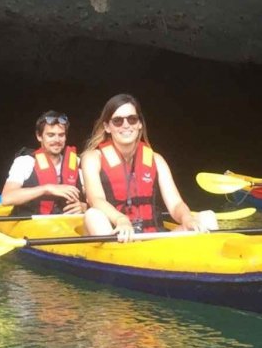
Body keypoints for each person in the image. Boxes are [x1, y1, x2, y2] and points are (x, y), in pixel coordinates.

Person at [79, 94, 219, 241]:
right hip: (119, 236)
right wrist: (121, 220)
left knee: (207, 217)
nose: (126, 125)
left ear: (139, 124)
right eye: (118, 121)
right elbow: (97, 200)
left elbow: (175, 204)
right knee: (93, 215)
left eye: (132, 119)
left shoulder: (156, 160)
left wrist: (188, 218)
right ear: (107, 127)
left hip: (152, 237)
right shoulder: (93, 158)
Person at [0, 111, 85, 216]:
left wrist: (83, 206)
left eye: (61, 135)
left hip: (66, 224)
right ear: (39, 136)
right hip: (32, 225)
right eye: (51, 135)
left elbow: (95, 199)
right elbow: (6, 198)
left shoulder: (77, 162)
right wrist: (46, 188)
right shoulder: (25, 162)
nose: (57, 140)